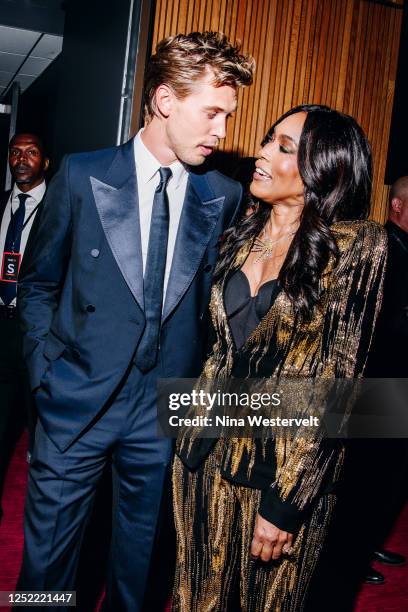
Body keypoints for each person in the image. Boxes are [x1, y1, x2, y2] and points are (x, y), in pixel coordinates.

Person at [16, 32, 254, 609]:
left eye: (227, 116)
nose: (221, 130)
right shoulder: (81, 174)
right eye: (213, 112)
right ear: (166, 101)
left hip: (160, 412)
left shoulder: (221, 195)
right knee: (45, 571)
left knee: (140, 570)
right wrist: (44, 373)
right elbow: (39, 284)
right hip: (75, 401)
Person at [173, 104, 387, 611]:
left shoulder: (357, 246)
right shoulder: (243, 229)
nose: (262, 153)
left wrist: (287, 503)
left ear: (325, 169)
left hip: (279, 471)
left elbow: (339, 385)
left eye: (283, 147)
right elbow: (216, 354)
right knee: (193, 599)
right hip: (201, 458)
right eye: (268, 140)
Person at [356, 176, 408, 584]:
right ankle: (352, 555)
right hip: (380, 381)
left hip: (395, 380)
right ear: (396, 206)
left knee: (388, 476)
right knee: (369, 475)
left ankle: (366, 543)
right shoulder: (384, 247)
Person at [0, 133, 49, 524]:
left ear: (45, 162)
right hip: (1, 328)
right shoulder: (1, 203)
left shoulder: (56, 208)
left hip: (38, 334)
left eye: (31, 153)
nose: (22, 159)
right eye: (15, 152)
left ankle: (42, 509)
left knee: (40, 424)